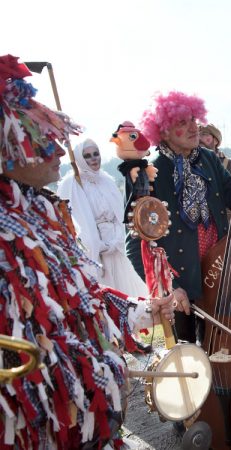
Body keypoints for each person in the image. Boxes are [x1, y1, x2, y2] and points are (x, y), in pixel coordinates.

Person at [0, 54, 180, 449]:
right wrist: (98, 367)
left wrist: (140, 310)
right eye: (41, 135)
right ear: (8, 145)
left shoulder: (42, 210)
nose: (58, 148)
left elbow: (82, 298)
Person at [128, 91, 231, 345]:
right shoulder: (147, 176)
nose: (194, 128)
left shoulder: (209, 159)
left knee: (226, 350)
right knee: (191, 362)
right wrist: (169, 288)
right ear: (163, 131)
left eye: (193, 120)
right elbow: (136, 246)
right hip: (181, 288)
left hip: (220, 274)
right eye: (182, 123)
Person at [57, 138, 153, 353]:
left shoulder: (108, 180)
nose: (94, 159)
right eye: (88, 155)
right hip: (95, 250)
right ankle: (108, 344)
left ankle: (131, 339)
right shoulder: (70, 183)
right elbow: (75, 221)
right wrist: (96, 246)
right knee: (102, 296)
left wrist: (118, 239)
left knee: (123, 292)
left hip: (116, 243)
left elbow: (121, 213)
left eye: (96, 153)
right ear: (80, 158)